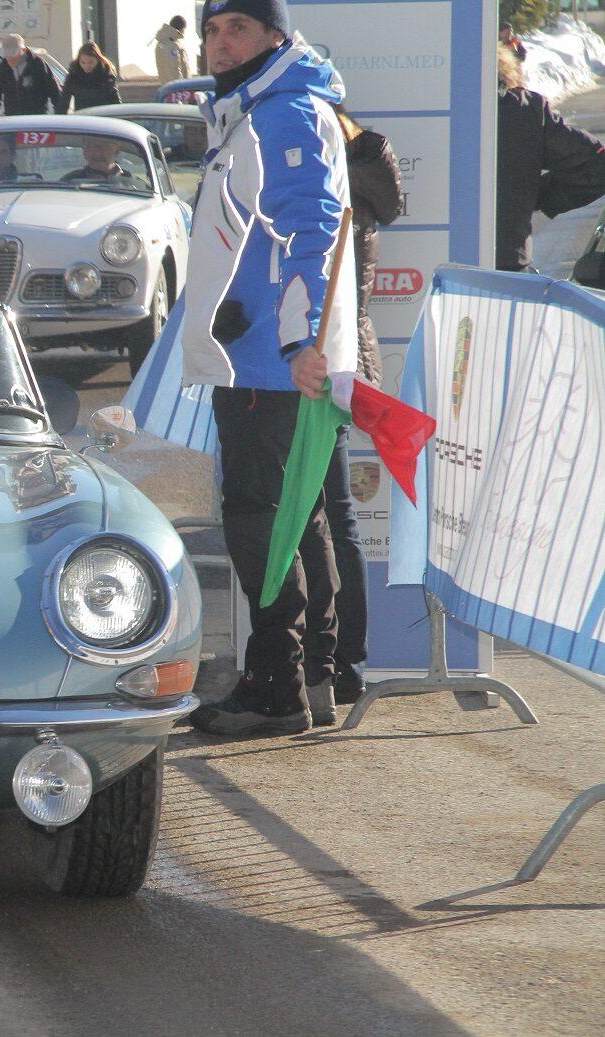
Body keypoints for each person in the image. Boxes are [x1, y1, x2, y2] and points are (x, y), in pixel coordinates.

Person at [180, 0, 357, 737]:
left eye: (239, 29)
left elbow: (313, 232)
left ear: (276, 37)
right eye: (212, 30)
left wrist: (301, 344)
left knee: (261, 519)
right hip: (267, 357)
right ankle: (312, 675)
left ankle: (277, 688)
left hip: (271, 362)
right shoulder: (258, 108)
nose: (220, 44)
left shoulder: (282, 112)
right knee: (296, 515)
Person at [295, 107, 403, 721]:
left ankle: (332, 662)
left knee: (323, 516)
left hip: (320, 361)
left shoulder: (334, 175)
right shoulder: (360, 169)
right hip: (337, 358)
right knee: (334, 516)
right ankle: (343, 665)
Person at [496, 48, 605, 272]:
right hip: (505, 264)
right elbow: (596, 166)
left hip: (428, 258)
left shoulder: (427, 109)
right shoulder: (523, 111)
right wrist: (531, 194)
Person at [0, 34, 62, 117]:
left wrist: (60, 116)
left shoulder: (38, 65)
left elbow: (55, 92)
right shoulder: (1, 70)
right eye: (8, 55)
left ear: (24, 50)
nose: (10, 59)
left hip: (36, 119)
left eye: (13, 54)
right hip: (12, 119)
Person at [61, 42, 121, 111]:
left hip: (103, 115)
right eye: (83, 63)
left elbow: (116, 102)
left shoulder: (106, 76)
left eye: (91, 62)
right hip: (83, 116)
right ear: (78, 61)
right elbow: (63, 103)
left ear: (98, 60)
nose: (87, 66)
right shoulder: (73, 76)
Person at [64, 137, 141, 187]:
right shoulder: (70, 181)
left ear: (116, 150)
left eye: (105, 146)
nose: (97, 153)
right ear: (84, 151)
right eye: (91, 146)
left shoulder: (131, 181)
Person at [154, 15, 194, 84]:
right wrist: (181, 86)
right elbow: (174, 69)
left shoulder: (163, 42)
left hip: (168, 86)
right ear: (181, 28)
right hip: (177, 87)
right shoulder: (171, 44)